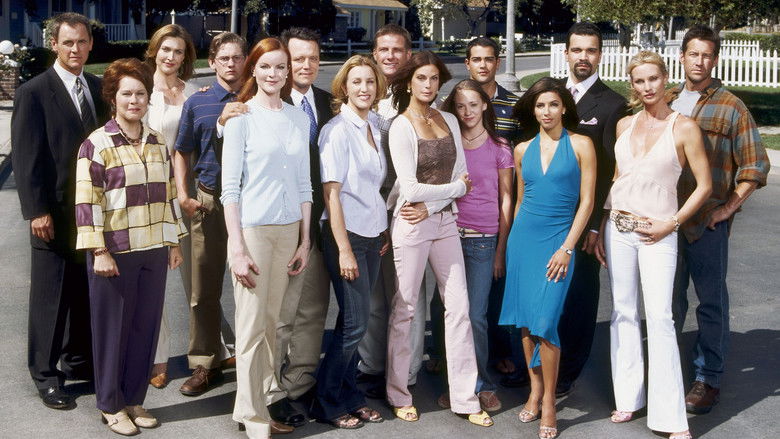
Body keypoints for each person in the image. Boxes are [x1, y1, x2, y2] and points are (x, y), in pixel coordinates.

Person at [600, 51, 711, 439]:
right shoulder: (624, 125)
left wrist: (672, 223)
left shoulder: (685, 128)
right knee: (623, 312)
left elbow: (704, 186)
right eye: (639, 80)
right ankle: (628, 397)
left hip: (659, 232)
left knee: (661, 317)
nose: (647, 87)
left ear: (665, 79)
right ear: (632, 84)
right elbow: (618, 177)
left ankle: (670, 417)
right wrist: (601, 225)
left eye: (653, 79)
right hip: (618, 228)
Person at [74, 57, 187, 435]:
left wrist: (174, 242)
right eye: (127, 94)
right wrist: (99, 251)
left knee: (144, 329)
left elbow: (169, 194)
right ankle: (110, 405)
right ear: (113, 98)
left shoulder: (157, 141)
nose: (134, 101)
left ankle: (134, 399)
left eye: (140, 93)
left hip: (153, 249)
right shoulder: (96, 144)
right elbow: (87, 203)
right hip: (114, 254)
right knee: (113, 333)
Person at [385, 50, 492, 427]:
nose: (428, 85)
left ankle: (465, 397)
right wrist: (453, 190)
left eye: (434, 78)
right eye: (421, 78)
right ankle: (399, 393)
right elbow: (410, 187)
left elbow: (462, 176)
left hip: (443, 221)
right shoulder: (400, 126)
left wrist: (434, 204)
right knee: (405, 309)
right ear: (408, 82)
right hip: (411, 224)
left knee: (459, 307)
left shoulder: (448, 119)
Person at [669, 25, 770, 414]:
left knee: (711, 303)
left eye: (707, 55)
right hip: (666, 221)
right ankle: (665, 373)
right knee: (668, 302)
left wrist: (727, 209)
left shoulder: (731, 107)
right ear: (682, 56)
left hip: (706, 224)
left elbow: (755, 165)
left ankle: (707, 379)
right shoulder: (667, 100)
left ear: (715, 60)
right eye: (693, 54)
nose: (700, 61)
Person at [11, 12, 108, 410]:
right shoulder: (33, 93)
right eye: (67, 42)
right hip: (52, 213)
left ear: (90, 44)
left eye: (82, 42)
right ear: (53, 44)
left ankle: (79, 361)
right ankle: (46, 375)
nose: (75, 49)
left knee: (84, 291)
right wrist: (36, 211)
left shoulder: (99, 88)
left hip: (91, 214)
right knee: (50, 297)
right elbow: (26, 157)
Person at [220, 37, 311, 439]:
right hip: (253, 232)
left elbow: (305, 184)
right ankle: (253, 417)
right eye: (266, 66)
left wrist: (304, 240)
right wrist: (237, 248)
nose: (273, 74)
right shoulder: (241, 118)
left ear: (288, 72)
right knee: (252, 327)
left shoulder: (299, 119)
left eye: (280, 67)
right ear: (253, 70)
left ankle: (261, 400)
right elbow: (229, 190)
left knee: (273, 325)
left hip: (290, 231)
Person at [501, 77, 596, 439]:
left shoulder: (582, 144)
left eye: (553, 104)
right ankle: (535, 390)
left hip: (559, 241)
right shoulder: (522, 149)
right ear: (533, 109)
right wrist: (508, 245)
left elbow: (587, 202)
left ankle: (551, 402)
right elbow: (521, 200)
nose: (546, 111)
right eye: (540, 105)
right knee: (526, 322)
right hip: (523, 241)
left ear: (564, 107)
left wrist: (567, 247)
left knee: (547, 321)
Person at [430, 36, 523, 384]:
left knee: (477, 315)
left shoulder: (501, 147)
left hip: (484, 240)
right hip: (448, 233)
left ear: (485, 106)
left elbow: (506, 198)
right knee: (450, 310)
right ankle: (452, 377)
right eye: (461, 106)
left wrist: (501, 248)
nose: (467, 111)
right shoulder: (449, 144)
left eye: (473, 105)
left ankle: (479, 381)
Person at [309, 54, 389, 430]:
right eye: (356, 81)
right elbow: (332, 195)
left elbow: (372, 186)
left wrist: (382, 227)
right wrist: (343, 249)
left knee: (354, 321)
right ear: (344, 86)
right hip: (347, 237)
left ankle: (351, 395)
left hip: (372, 234)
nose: (364, 88)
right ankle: (326, 400)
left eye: (370, 81)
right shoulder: (337, 131)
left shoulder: (374, 125)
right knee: (356, 324)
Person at [556, 22, 630, 397]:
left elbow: (611, 171)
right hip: (548, 216)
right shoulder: (551, 95)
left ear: (600, 55)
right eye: (577, 50)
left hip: (586, 221)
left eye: (591, 50)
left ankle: (568, 372)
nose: (583, 57)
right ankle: (540, 365)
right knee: (548, 293)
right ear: (566, 53)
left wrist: (598, 225)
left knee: (580, 297)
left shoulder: (613, 104)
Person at [173, 31, 247, 397]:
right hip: (209, 201)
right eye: (224, 58)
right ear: (212, 62)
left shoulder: (259, 96)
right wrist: (183, 195)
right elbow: (182, 150)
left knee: (252, 288)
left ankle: (253, 363)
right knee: (203, 289)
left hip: (252, 204)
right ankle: (206, 362)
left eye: (237, 58)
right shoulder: (197, 102)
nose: (231, 64)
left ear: (245, 61)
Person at [268, 27, 334, 427]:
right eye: (298, 59)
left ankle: (299, 383)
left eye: (313, 58)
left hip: (322, 224)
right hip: (281, 223)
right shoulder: (269, 102)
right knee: (280, 314)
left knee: (312, 310)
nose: (306, 65)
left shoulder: (330, 103)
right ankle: (270, 390)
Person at [357, 24, 424, 399]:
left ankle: (407, 369)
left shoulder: (419, 95)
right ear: (375, 53)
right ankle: (371, 365)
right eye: (383, 49)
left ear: (408, 55)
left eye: (397, 50)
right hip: (368, 207)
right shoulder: (364, 91)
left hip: (406, 206)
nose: (390, 56)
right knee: (372, 294)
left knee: (407, 292)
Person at [142, 23, 199, 390]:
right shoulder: (141, 89)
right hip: (148, 192)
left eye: (178, 51)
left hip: (186, 190)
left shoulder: (192, 92)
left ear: (185, 57)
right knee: (155, 279)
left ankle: (214, 343)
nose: (171, 56)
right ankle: (157, 356)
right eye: (165, 49)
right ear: (155, 50)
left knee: (197, 274)